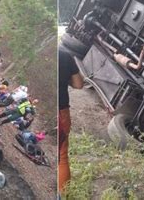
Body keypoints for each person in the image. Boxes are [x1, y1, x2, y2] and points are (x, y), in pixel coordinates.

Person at [58, 46, 84, 194]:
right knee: (62, 156)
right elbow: (79, 84)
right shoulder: (65, 56)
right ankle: (62, 194)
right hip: (61, 111)